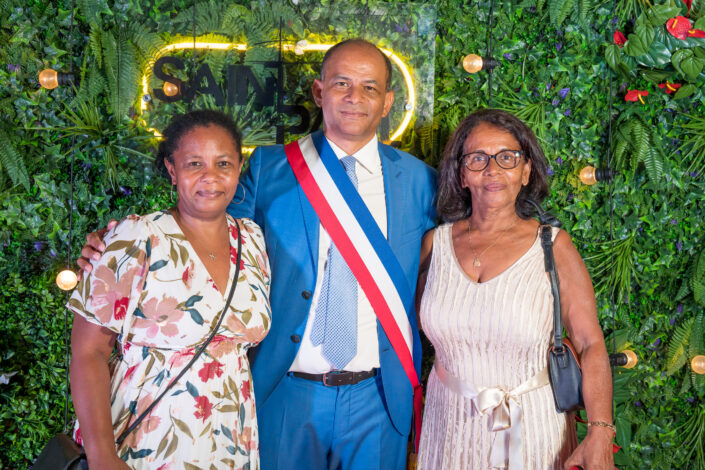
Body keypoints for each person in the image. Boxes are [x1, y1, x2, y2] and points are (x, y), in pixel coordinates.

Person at [78, 39, 436, 470]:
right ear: (319, 91)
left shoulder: (421, 181)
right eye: (341, 83)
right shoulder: (270, 168)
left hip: (377, 398)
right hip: (284, 391)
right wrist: (112, 248)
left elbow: (457, 249)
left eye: (370, 87)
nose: (354, 97)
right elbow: (207, 228)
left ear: (388, 102)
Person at [69, 110, 271, 469]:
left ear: (239, 168)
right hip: (146, 442)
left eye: (223, 163)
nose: (210, 176)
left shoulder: (252, 240)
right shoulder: (137, 237)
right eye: (194, 163)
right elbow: (88, 353)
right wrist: (102, 458)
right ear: (172, 170)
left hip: (231, 442)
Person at [415, 108, 614, 469]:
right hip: (448, 429)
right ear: (462, 174)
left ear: (526, 171)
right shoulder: (434, 245)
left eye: (507, 157)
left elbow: (590, 343)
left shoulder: (553, 246)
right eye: (478, 158)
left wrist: (600, 432)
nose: (492, 169)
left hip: (535, 430)